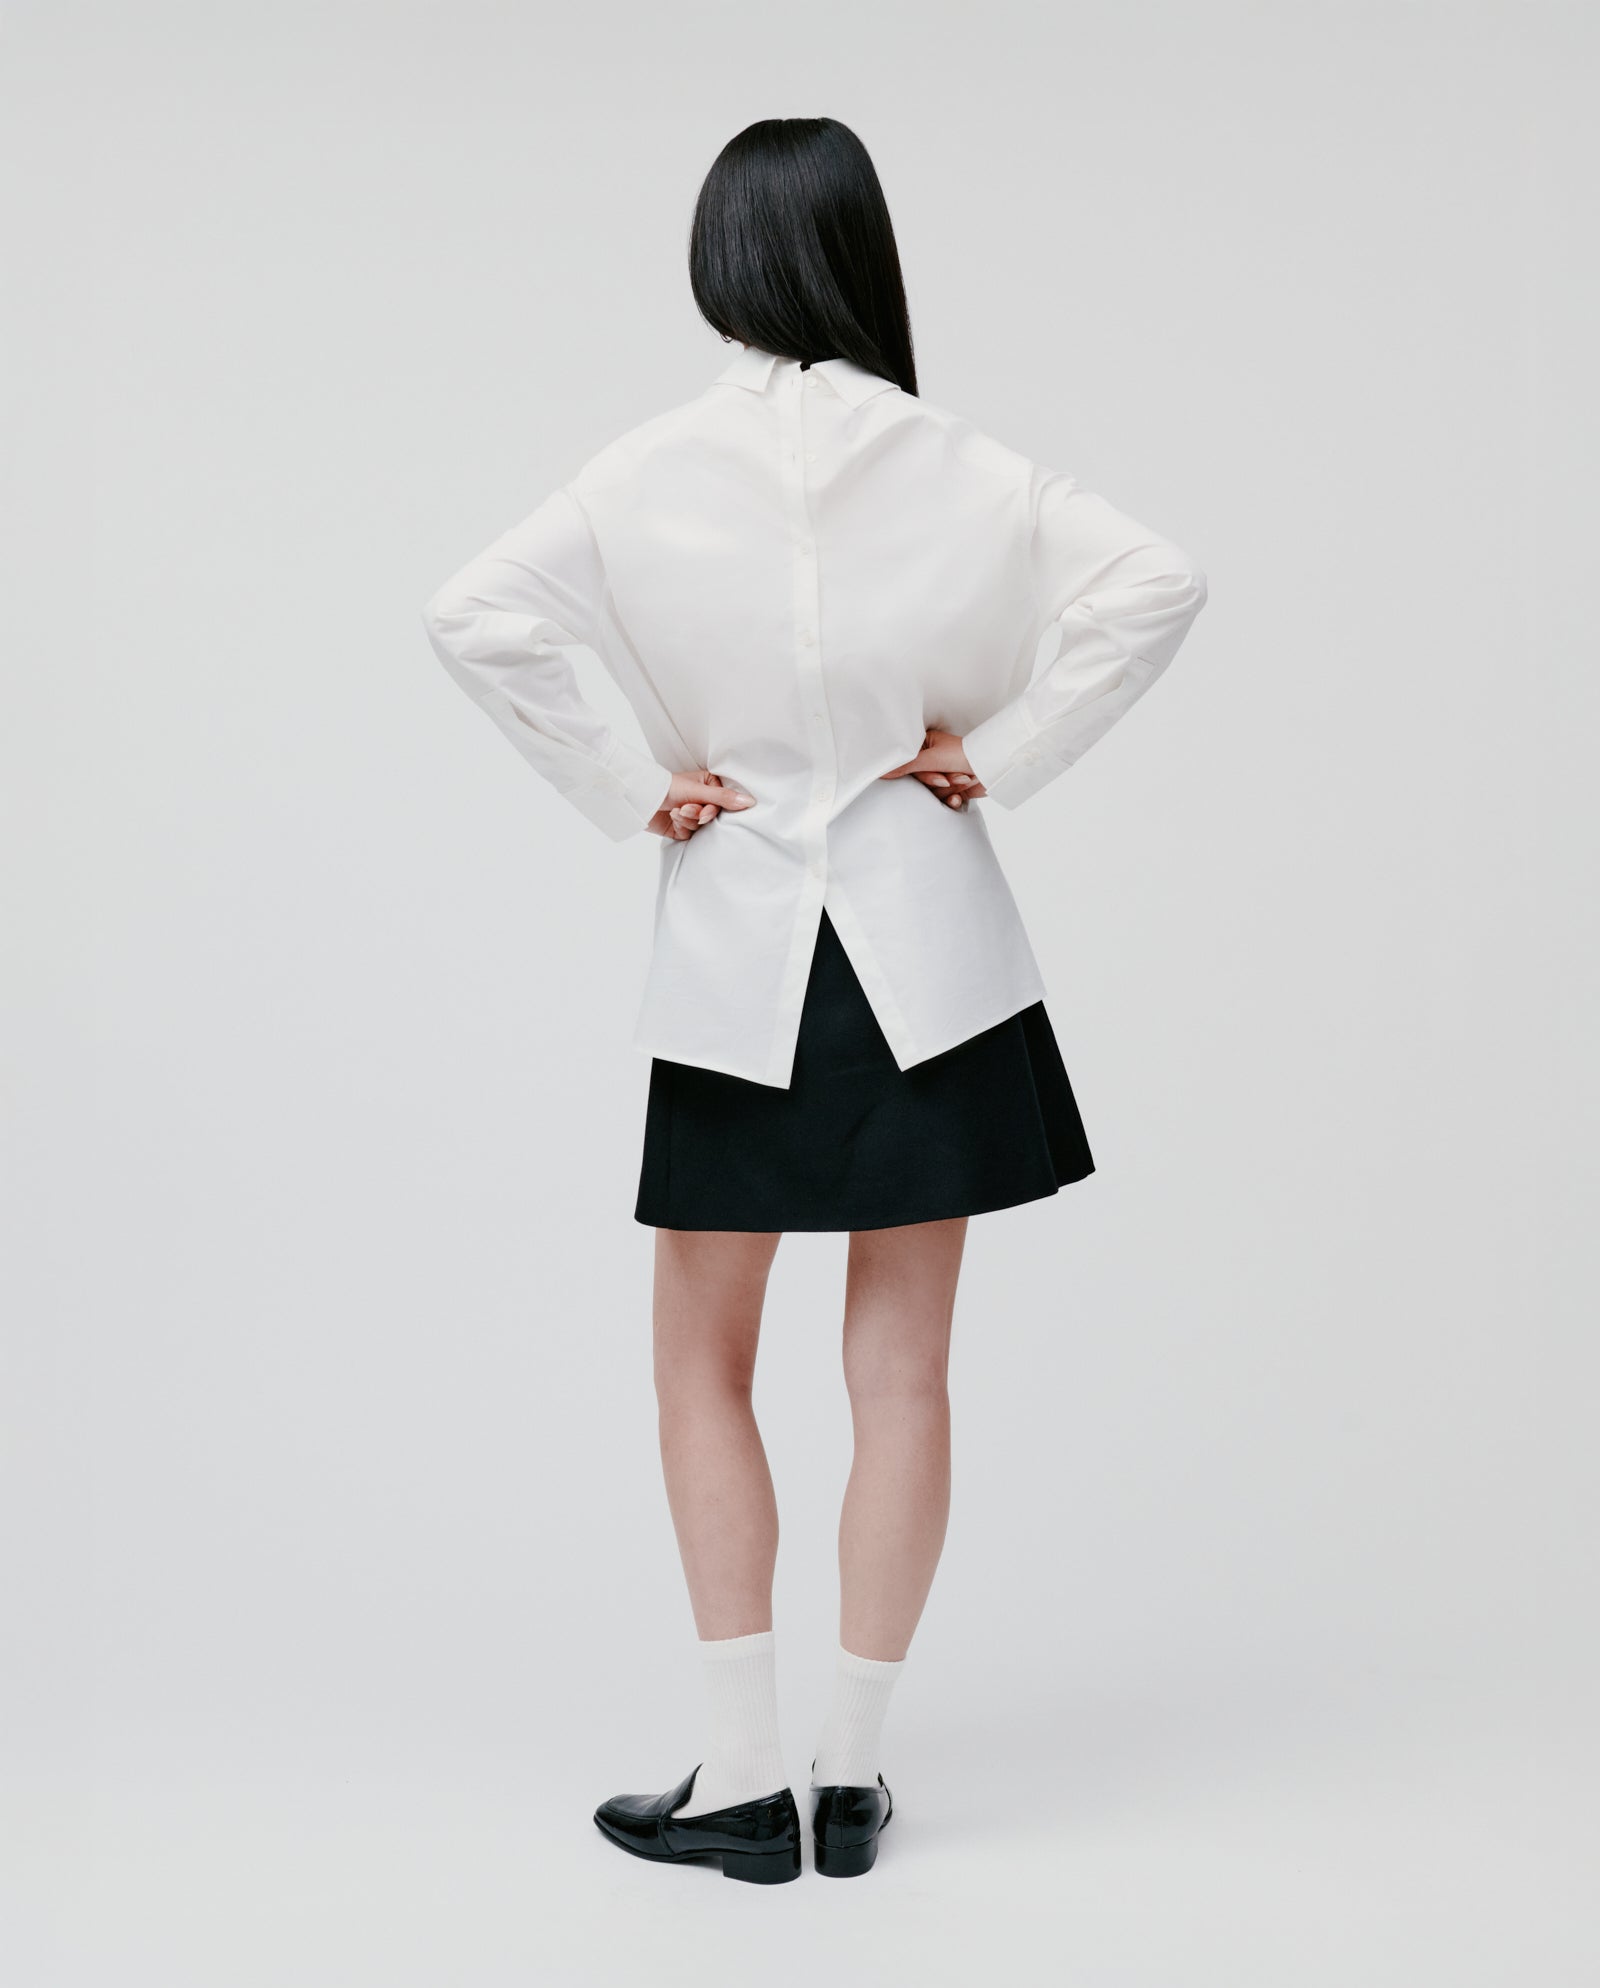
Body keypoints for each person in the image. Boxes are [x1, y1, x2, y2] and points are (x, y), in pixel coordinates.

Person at [420, 116, 1207, 1885]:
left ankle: (739, 1780)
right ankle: (851, 1778)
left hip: (745, 965)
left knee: (701, 1365)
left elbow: (473, 612)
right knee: (904, 1373)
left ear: (723, 261)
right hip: (931, 963)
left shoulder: (649, 466)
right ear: (864, 254)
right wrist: (997, 757)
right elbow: (1159, 581)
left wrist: (634, 786)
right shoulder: (959, 461)